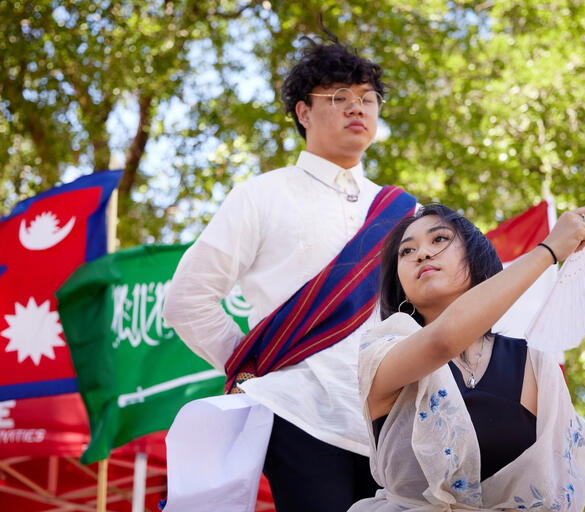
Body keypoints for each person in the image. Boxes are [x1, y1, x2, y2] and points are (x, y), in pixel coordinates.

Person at [163, 39, 417, 511]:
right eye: (339, 97)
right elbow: (187, 300)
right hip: (300, 416)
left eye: (367, 98)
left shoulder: (408, 213)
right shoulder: (261, 196)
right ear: (304, 112)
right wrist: (256, 371)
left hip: (398, 424)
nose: (357, 108)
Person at [351, 204, 585, 511]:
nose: (422, 254)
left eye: (439, 239)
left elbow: (560, 484)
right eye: (407, 251)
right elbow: (444, 339)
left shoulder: (533, 363)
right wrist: (548, 251)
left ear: (476, 257)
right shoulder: (382, 350)